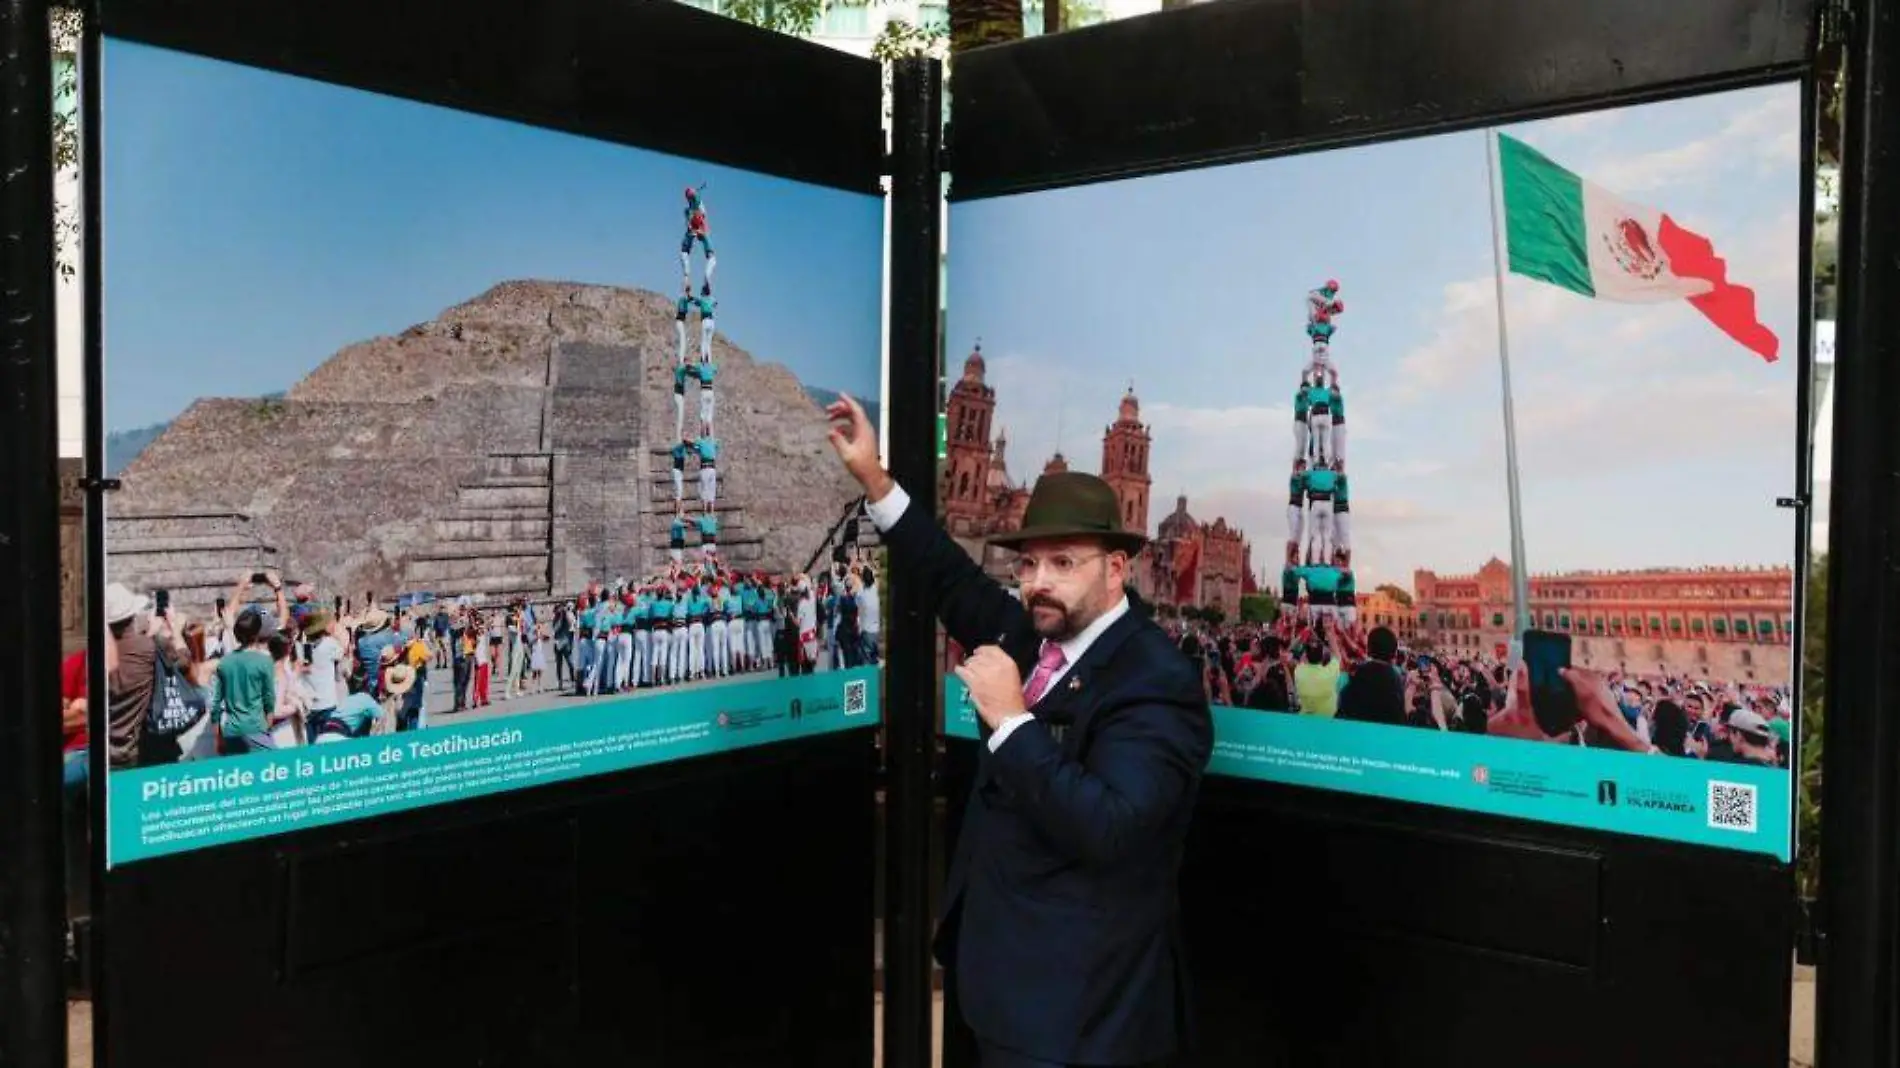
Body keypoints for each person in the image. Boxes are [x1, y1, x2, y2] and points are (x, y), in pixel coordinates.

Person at [825, 391, 1213, 1068]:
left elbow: (1113, 827)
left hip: (1076, 1020)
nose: (1038, 582)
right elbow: (947, 574)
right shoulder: (1030, 634)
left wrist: (1009, 721)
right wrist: (873, 478)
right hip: (996, 988)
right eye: (1030, 563)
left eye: (1063, 563)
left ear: (1117, 568)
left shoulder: (1155, 678)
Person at [680, 183, 716, 289]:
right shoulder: (698, 204)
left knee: (684, 252)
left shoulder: (687, 211)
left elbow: (694, 197)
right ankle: (707, 276)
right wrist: (693, 192)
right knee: (711, 256)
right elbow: (697, 199)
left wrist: (691, 192)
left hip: (692, 229)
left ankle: (686, 276)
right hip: (702, 228)